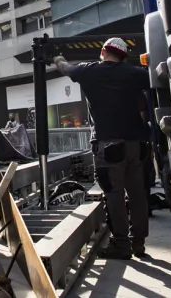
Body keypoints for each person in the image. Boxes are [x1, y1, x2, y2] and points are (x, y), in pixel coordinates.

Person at [53, 37, 151, 260]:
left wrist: (57, 57)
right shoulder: (135, 73)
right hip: (137, 145)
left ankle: (121, 244)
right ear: (124, 55)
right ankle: (139, 243)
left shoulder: (89, 71)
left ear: (103, 51)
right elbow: (159, 78)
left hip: (109, 145)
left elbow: (66, 68)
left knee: (114, 194)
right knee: (137, 195)